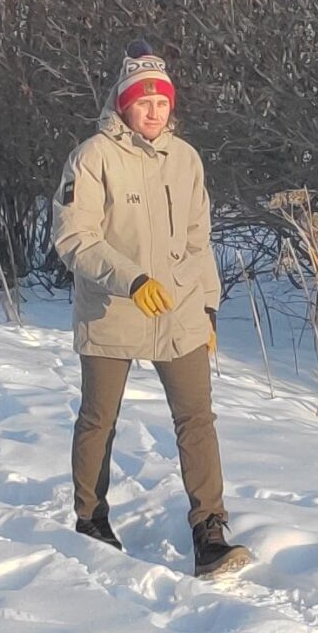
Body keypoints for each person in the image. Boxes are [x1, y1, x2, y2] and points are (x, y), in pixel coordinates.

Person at [53, 42, 252, 579]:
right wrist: (131, 278)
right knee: (100, 419)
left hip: (179, 309)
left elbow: (199, 239)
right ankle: (91, 520)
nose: (153, 111)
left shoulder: (186, 159)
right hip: (112, 308)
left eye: (161, 101)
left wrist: (207, 308)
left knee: (197, 419)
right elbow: (74, 237)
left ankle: (209, 531)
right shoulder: (92, 156)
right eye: (143, 101)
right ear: (123, 104)